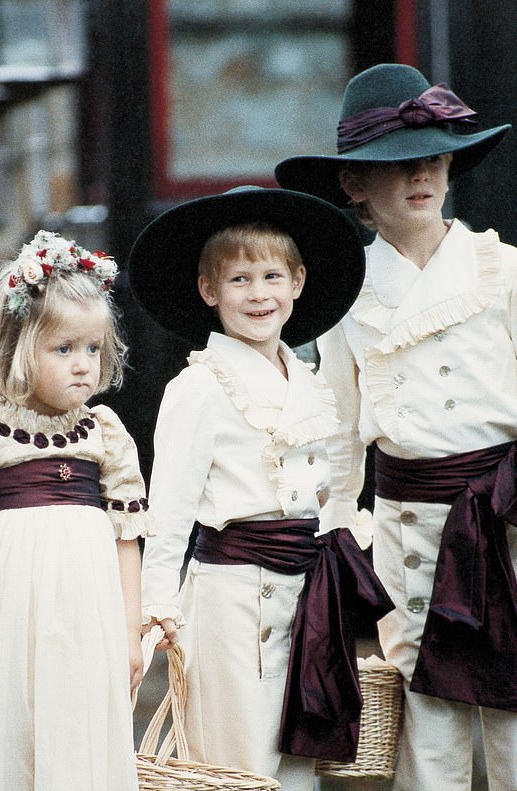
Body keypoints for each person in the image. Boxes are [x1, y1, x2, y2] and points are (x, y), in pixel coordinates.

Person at [275, 63, 517, 791]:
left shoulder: (499, 270)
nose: (422, 176)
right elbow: (341, 432)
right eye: (399, 164)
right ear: (355, 187)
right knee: (427, 722)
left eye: (434, 158)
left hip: (505, 522)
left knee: (514, 719)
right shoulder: (347, 294)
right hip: (411, 528)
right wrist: (335, 532)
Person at [128, 186, 393, 791]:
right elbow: (167, 514)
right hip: (232, 601)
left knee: (297, 759)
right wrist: (157, 609)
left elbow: (323, 497)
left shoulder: (307, 379)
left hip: (305, 597)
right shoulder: (199, 387)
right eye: (239, 279)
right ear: (209, 291)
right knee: (239, 763)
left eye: (271, 275)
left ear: (297, 282)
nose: (258, 294)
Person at [0, 230, 155, 791]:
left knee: (76, 732)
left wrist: (130, 631)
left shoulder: (106, 434)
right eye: (63, 350)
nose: (83, 366)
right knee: (11, 727)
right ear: (17, 348)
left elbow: (126, 540)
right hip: (4, 618)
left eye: (93, 349)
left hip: (86, 623)